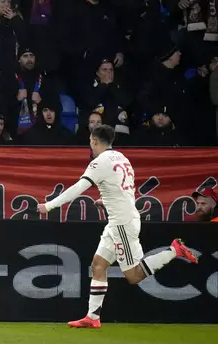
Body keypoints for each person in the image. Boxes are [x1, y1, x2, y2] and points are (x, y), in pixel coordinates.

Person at [37, 125, 199, 328]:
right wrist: (106, 202)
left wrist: (49, 206)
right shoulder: (122, 158)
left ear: (95, 141)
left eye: (90, 141)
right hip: (119, 220)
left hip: (121, 223)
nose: (90, 145)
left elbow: (78, 188)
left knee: (133, 275)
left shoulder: (100, 162)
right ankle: (93, 317)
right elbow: (125, 191)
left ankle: (173, 250)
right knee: (98, 264)